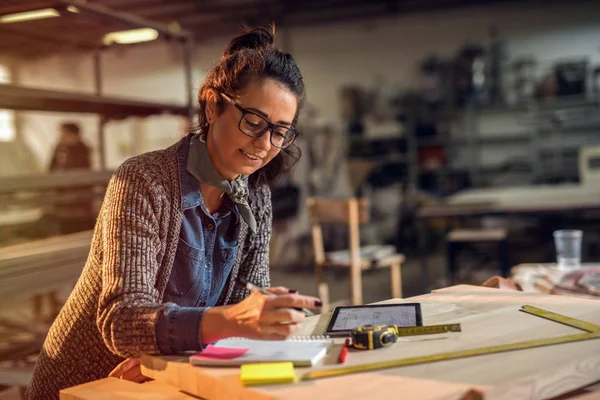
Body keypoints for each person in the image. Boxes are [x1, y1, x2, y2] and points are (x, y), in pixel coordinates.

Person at [27, 25, 321, 399]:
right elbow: (121, 320)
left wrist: (180, 350)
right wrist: (229, 323)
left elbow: (246, 315)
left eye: (280, 131)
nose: (264, 144)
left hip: (167, 378)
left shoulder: (255, 196)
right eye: (253, 122)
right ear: (214, 104)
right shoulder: (143, 181)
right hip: (88, 385)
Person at [48, 122, 94, 234]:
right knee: (65, 229)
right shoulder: (59, 148)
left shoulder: (83, 150)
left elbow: (82, 174)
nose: (62, 137)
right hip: (63, 202)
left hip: (79, 204)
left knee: (80, 230)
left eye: (66, 134)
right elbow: (51, 167)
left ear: (75, 135)